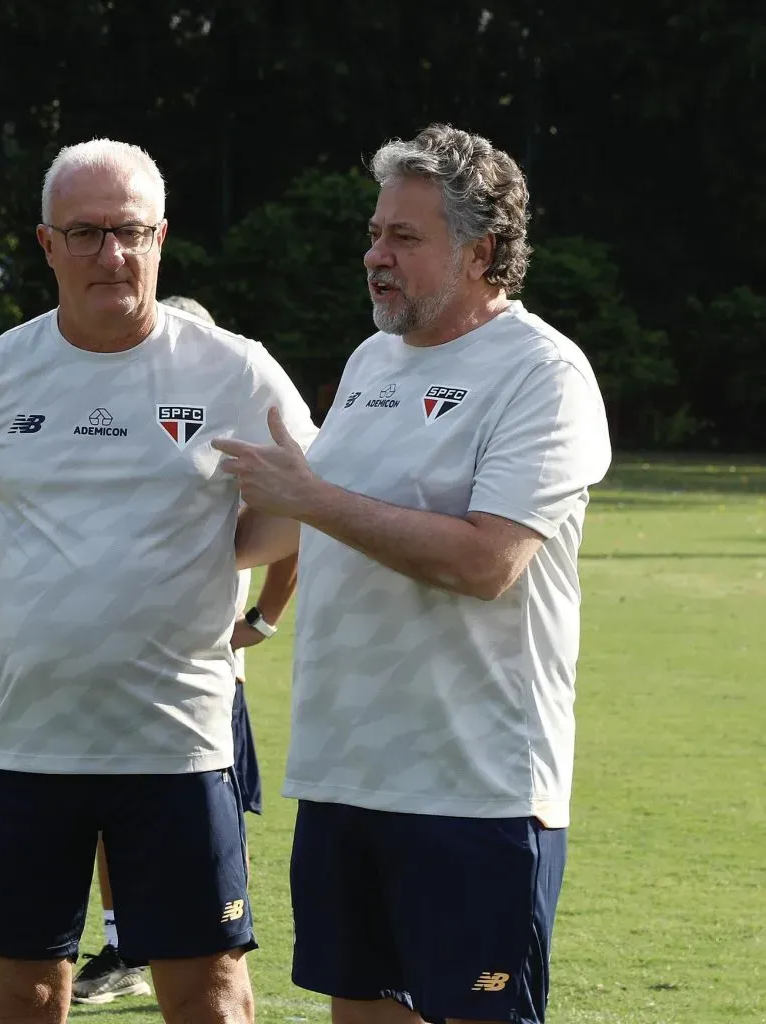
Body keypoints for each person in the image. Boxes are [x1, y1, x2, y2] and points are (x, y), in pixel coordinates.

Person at [0, 138, 317, 1024]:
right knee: (26, 996)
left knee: (211, 997)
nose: (111, 254)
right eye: (86, 233)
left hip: (178, 742)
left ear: (161, 239)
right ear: (46, 244)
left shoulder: (234, 368)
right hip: (23, 741)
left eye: (131, 233)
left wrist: (222, 571)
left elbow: (312, 500)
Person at [213, 123, 612, 1024]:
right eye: (374, 232)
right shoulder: (371, 361)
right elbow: (297, 514)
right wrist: (139, 546)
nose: (374, 255)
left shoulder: (542, 373)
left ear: (483, 251)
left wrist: (311, 501)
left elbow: (487, 560)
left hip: (471, 785)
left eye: (403, 237)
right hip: (345, 770)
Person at [71, 296, 300, 1006]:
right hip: (104, 674)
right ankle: (123, 943)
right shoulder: (116, 423)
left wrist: (261, 621)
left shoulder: (229, 421)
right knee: (108, 818)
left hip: (203, 676)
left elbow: (297, 526)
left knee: (215, 829)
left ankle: (220, 942)